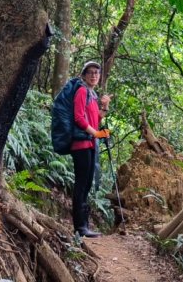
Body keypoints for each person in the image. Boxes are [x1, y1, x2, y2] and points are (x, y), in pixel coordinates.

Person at [71, 60, 111, 238]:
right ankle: (80, 227)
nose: (94, 75)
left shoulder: (92, 95)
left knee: (86, 184)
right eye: (91, 72)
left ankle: (84, 225)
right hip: (80, 145)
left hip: (90, 144)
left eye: (97, 72)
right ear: (84, 75)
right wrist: (96, 133)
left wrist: (105, 106)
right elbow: (79, 118)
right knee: (81, 184)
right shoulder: (81, 91)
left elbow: (96, 120)